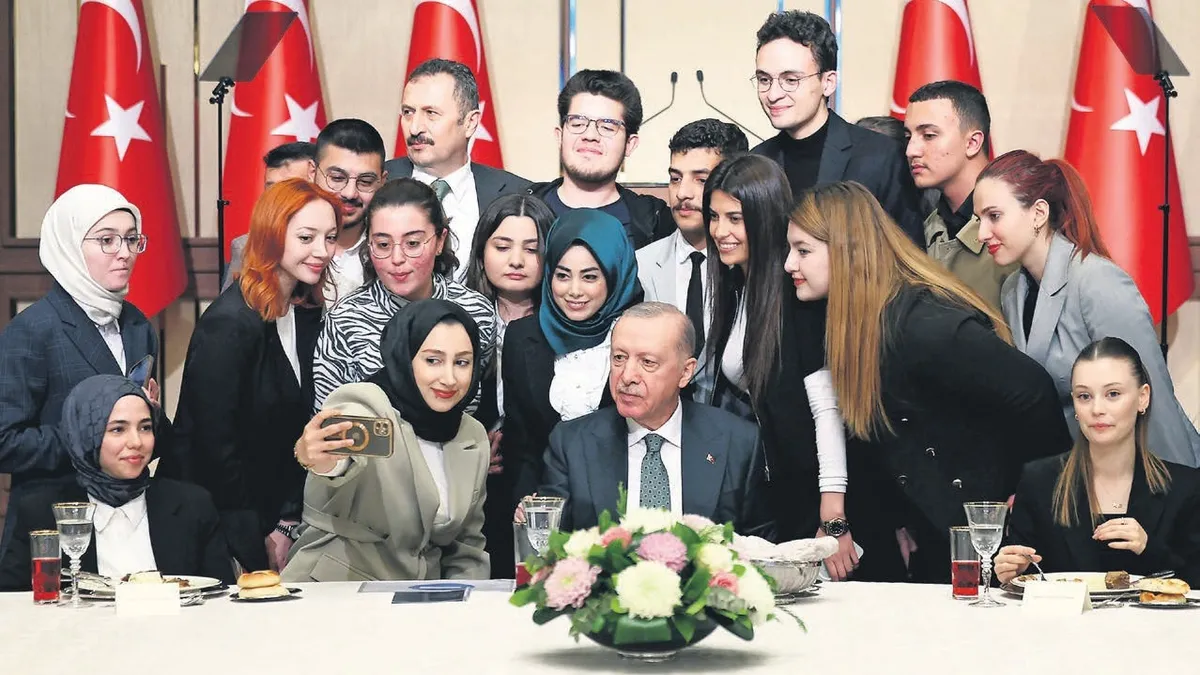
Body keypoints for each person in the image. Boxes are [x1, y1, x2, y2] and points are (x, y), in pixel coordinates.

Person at [785, 180, 1072, 582]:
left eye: (803, 251)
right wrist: (904, 516)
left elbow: (1033, 392)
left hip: (995, 538)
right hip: (940, 528)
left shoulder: (925, 327)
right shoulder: (858, 322)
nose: (789, 264)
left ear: (849, 251)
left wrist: (1030, 497)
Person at [975, 150, 1200, 468]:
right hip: (1073, 473)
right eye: (979, 219)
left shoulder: (1097, 281)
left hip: (1142, 474)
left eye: (994, 216)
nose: (982, 234)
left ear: (1038, 213)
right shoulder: (1013, 291)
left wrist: (1169, 490)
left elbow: (1152, 399)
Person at [167, 179, 339, 572]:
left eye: (330, 238)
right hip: (214, 525)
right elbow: (216, 448)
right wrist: (252, 542)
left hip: (274, 518)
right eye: (306, 237)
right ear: (271, 235)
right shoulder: (229, 323)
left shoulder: (303, 311)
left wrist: (286, 523)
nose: (322, 251)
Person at [0, 185, 161, 558]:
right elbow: (4, 441)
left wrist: (151, 421)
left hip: (131, 520)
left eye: (131, 239)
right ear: (70, 247)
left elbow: (144, 427)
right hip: (56, 522)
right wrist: (90, 439)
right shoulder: (32, 330)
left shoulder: (138, 325)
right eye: (107, 240)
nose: (124, 252)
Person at [702, 154, 845, 564]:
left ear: (764, 219)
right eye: (714, 217)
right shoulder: (736, 284)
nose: (720, 231)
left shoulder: (797, 291)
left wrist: (834, 520)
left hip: (816, 495)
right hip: (774, 488)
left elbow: (827, 411)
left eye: (735, 218)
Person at [284, 300, 489, 582]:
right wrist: (322, 459)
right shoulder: (367, 405)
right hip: (338, 586)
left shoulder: (471, 435)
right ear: (404, 356)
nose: (449, 378)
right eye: (433, 360)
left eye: (462, 362)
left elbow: (467, 546)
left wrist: (464, 600)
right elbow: (343, 459)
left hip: (421, 599)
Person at [538, 303, 773, 537]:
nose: (627, 376)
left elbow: (761, 547)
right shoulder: (571, 443)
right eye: (619, 357)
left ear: (685, 372)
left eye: (647, 362)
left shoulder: (738, 441)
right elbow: (549, 546)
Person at [995, 338, 1200, 587]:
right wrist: (1009, 572)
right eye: (1084, 396)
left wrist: (1149, 548)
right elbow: (1022, 576)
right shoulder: (1039, 481)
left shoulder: (1185, 488)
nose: (1097, 409)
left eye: (1113, 394)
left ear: (1142, 397)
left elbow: (1194, 584)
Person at [0, 375, 233, 590]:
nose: (136, 442)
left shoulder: (192, 505)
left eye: (145, 428)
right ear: (86, 435)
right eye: (118, 429)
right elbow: (10, 602)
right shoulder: (44, 512)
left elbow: (221, 598)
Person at [312, 178, 497, 412]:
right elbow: (328, 418)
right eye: (383, 244)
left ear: (440, 241)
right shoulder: (345, 319)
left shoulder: (476, 310)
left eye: (412, 243)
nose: (397, 258)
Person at [501, 209, 643, 505]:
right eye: (562, 276)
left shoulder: (644, 336)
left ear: (615, 274)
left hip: (627, 503)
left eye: (590, 277)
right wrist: (526, 503)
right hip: (546, 503)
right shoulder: (522, 337)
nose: (574, 291)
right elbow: (521, 446)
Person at [750, 10, 923, 244]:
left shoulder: (881, 156)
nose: (773, 94)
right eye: (764, 80)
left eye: (791, 80)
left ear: (828, 83)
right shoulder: (757, 162)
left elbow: (910, 253)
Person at [462, 194, 554, 577]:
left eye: (531, 249)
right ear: (481, 250)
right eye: (502, 247)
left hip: (538, 484)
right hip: (467, 484)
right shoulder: (456, 314)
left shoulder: (565, 324)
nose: (516, 260)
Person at [384, 59, 532, 275]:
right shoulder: (376, 184)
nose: (414, 128)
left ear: (470, 123)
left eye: (431, 113)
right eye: (408, 112)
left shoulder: (518, 194)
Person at [638, 119, 748, 405]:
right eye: (675, 178)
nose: (683, 193)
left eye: (701, 179)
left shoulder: (749, 268)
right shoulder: (641, 265)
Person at [528, 69, 674, 248]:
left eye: (607, 127)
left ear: (630, 144)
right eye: (578, 123)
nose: (590, 135)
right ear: (559, 136)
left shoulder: (657, 223)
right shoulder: (522, 209)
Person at [905, 81, 1016, 309]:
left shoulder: (1016, 226)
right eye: (908, 137)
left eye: (928, 135)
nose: (911, 151)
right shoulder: (922, 228)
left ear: (972, 143)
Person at [312, 118, 390, 304]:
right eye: (337, 178)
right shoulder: (279, 245)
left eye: (365, 182)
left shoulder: (395, 256)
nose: (350, 193)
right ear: (312, 172)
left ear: (382, 182)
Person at [224, 141, 317, 291]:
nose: (278, 197)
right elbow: (230, 305)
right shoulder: (247, 247)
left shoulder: (345, 243)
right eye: (272, 189)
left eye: (290, 187)